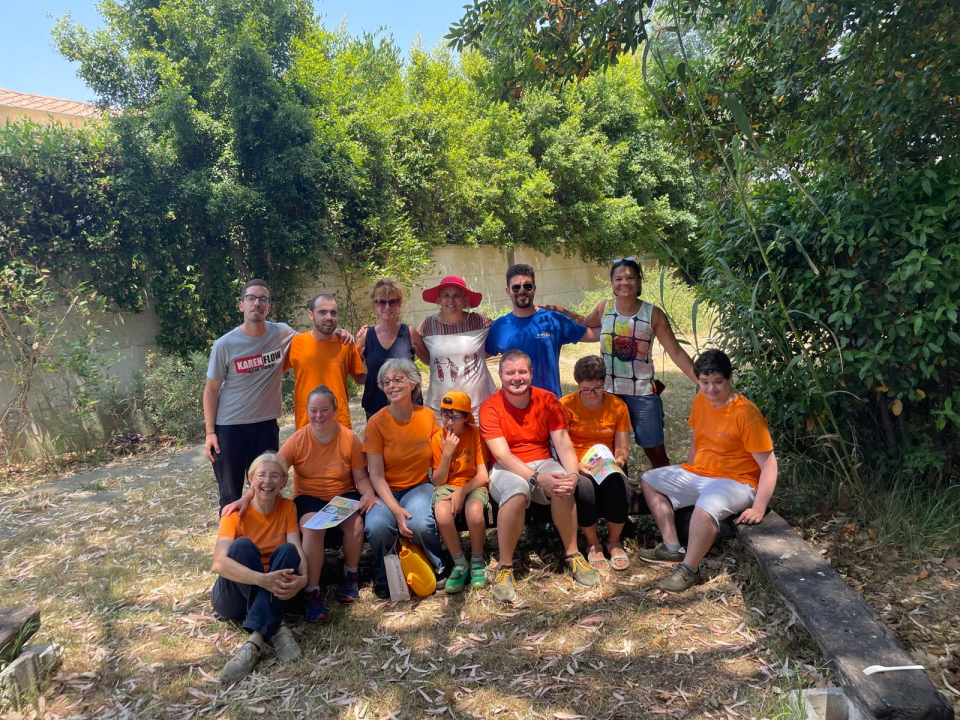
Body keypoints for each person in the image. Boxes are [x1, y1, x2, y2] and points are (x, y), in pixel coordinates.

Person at [221, 386, 379, 619]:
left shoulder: (349, 439)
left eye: (324, 410)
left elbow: (361, 478)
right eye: (313, 410)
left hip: (342, 495)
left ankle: (350, 575)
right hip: (308, 496)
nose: (318, 416)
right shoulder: (298, 440)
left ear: (335, 409)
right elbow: (271, 469)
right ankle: (311, 590)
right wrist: (246, 497)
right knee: (312, 529)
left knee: (356, 524)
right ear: (307, 411)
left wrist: (368, 493)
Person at [639, 349, 777, 592]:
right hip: (702, 473)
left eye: (718, 382)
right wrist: (689, 474)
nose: (711, 389)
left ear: (730, 378)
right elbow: (698, 440)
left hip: (737, 481)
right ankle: (672, 548)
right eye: (704, 382)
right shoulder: (700, 400)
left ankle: (689, 569)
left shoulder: (746, 414)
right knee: (649, 479)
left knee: (706, 505)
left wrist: (759, 507)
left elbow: (769, 465)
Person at [545, 257, 697, 469]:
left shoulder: (653, 314)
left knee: (655, 450)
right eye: (618, 279)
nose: (624, 283)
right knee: (614, 449)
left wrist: (701, 381)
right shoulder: (604, 308)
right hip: (607, 393)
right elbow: (583, 322)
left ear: (639, 280)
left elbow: (676, 352)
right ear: (612, 283)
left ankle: (664, 485)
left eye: (630, 278)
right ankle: (621, 486)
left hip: (642, 393)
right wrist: (560, 311)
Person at [479, 350, 599, 603]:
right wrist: (535, 478)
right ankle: (505, 566)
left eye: (522, 371)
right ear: (500, 375)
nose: (517, 378)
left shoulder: (547, 400)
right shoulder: (490, 407)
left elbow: (563, 443)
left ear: (531, 373)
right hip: (506, 468)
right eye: (510, 373)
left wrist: (572, 475)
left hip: (542, 460)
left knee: (562, 483)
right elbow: (502, 455)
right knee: (516, 491)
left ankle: (573, 554)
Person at [211, 453, 306, 683]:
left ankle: (255, 640)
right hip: (233, 594)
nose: (267, 481)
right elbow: (219, 563)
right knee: (242, 546)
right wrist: (260, 579)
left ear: (283, 481)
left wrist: (305, 578)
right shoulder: (234, 513)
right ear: (251, 479)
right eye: (261, 475)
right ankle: (276, 626)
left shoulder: (287, 507)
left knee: (288, 551)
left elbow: (296, 548)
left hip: (275, 586)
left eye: (274, 476)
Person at [204, 280, 295, 510]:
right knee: (230, 494)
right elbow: (211, 390)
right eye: (251, 298)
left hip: (265, 425)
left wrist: (339, 333)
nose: (257, 303)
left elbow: (312, 341)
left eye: (263, 299)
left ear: (269, 307)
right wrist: (210, 432)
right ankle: (230, 534)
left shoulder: (282, 333)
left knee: (267, 489)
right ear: (241, 305)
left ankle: (267, 533)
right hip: (229, 428)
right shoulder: (224, 344)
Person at [362, 358, 443, 599]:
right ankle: (388, 571)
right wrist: (396, 510)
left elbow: (437, 462)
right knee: (377, 526)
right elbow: (376, 475)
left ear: (413, 383)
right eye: (387, 382)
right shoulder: (376, 423)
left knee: (420, 523)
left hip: (419, 485)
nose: (392, 386)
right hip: (385, 489)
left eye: (398, 380)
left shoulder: (427, 417)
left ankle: (436, 563)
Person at [559, 355, 633, 571]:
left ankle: (614, 541)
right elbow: (560, 444)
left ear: (604, 383)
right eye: (586, 390)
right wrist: (576, 465)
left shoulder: (617, 406)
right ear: (578, 385)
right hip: (576, 462)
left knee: (618, 483)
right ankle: (593, 542)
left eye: (597, 389)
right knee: (584, 489)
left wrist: (617, 461)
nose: (592, 394)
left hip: (605, 462)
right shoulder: (566, 405)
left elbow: (622, 447)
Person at [485, 263, 599, 398]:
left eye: (527, 286)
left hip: (549, 403)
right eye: (516, 287)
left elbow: (594, 335)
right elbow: (475, 357)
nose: (522, 291)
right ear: (508, 291)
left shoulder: (552, 319)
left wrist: (616, 318)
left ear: (534, 288)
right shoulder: (500, 326)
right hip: (514, 405)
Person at [430, 391, 490, 594]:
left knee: (474, 512)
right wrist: (447, 452)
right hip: (447, 486)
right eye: (445, 415)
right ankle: (459, 562)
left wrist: (462, 492)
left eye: (455, 417)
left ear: (465, 418)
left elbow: (483, 475)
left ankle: (477, 559)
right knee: (442, 513)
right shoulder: (438, 438)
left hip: (472, 485)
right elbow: (438, 480)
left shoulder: (475, 434)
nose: (449, 422)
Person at [415, 276, 497, 421]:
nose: (451, 300)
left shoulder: (479, 322)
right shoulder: (428, 325)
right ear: (438, 300)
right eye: (446, 295)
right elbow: (419, 350)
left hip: (477, 404)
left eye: (456, 296)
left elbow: (501, 334)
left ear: (465, 300)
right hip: (441, 406)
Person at [285, 294, 364, 431]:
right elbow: (274, 373)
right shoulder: (296, 343)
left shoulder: (346, 343)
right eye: (322, 312)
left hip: (340, 423)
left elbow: (360, 378)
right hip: (306, 424)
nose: (329, 317)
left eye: (333, 313)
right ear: (311, 315)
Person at [356, 278, 422, 419]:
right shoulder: (366, 336)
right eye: (382, 302)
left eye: (393, 302)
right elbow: (355, 374)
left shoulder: (410, 333)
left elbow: (431, 359)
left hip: (408, 407)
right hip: (376, 406)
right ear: (375, 305)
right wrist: (378, 379)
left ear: (399, 304)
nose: (387, 306)